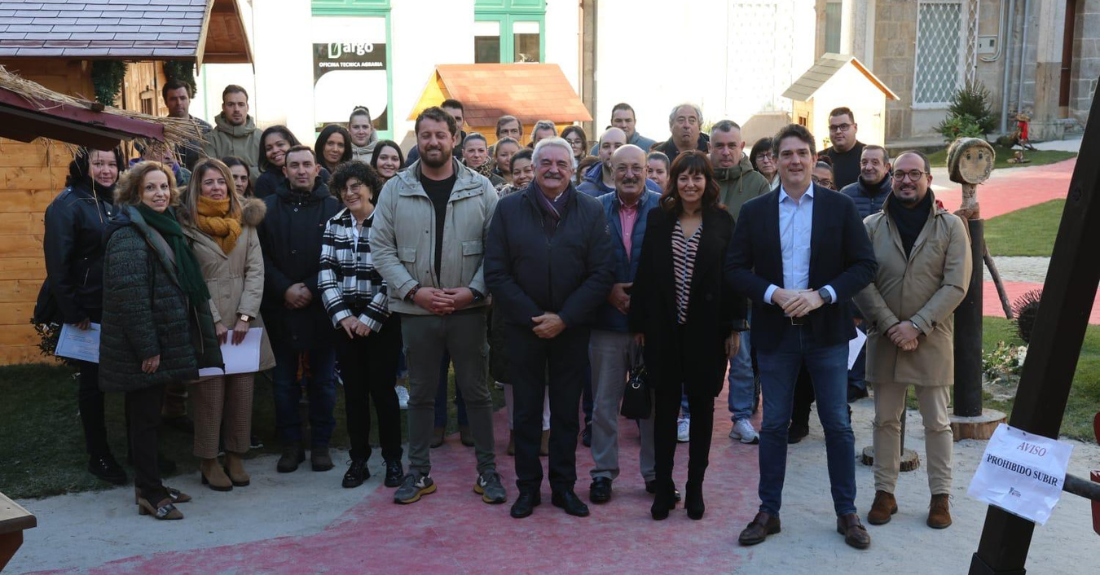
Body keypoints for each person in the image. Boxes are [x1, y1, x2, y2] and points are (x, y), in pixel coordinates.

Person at [727, 124, 877, 550]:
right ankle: (768, 511)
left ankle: (846, 513)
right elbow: (735, 269)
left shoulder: (839, 206)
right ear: (775, 159)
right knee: (774, 425)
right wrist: (774, 294)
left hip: (827, 332)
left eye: (802, 153)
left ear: (814, 159)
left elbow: (864, 265)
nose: (795, 160)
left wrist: (821, 296)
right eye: (787, 153)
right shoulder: (755, 211)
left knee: (838, 424)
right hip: (775, 336)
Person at [371, 106, 505, 506]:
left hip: (467, 311)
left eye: (440, 135)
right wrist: (413, 291)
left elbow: (496, 252)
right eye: (425, 135)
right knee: (422, 394)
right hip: (417, 311)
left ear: (454, 138)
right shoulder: (395, 189)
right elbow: (381, 248)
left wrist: (472, 292)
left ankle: (488, 472)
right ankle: (419, 473)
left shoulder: (481, 189)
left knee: (477, 394)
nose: (432, 142)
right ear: (419, 138)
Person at [485, 137, 613, 519]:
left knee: (564, 415)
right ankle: (527, 489)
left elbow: (601, 272)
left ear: (572, 169)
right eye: (546, 162)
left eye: (561, 162)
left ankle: (563, 487)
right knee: (523, 413)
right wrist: (533, 318)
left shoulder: (590, 210)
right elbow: (496, 271)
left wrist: (564, 318)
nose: (553, 169)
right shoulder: (508, 210)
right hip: (523, 330)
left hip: (571, 330)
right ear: (533, 167)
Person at [854, 150, 971, 530]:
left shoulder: (951, 226)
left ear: (928, 178)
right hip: (886, 338)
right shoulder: (871, 226)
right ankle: (885, 493)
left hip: (932, 338)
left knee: (937, 422)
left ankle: (941, 496)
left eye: (914, 174)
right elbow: (861, 280)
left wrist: (916, 325)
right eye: (899, 174)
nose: (906, 181)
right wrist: (891, 325)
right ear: (890, 177)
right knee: (886, 419)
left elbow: (956, 284)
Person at [100, 161, 222, 520]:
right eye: (150, 188)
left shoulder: (164, 228)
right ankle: (150, 493)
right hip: (142, 348)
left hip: (161, 341)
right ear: (135, 193)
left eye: (164, 187)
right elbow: (131, 298)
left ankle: (148, 485)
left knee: (150, 417)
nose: (159, 194)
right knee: (145, 419)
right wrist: (148, 349)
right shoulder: (128, 234)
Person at [630, 150, 744, 521]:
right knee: (664, 411)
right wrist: (639, 325)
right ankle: (664, 488)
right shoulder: (659, 219)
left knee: (702, 409)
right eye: (683, 178)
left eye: (697, 177)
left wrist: (734, 326)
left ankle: (695, 487)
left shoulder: (723, 221)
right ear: (673, 182)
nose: (690, 184)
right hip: (663, 330)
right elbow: (645, 274)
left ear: (707, 182)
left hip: (707, 332)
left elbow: (734, 278)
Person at [178, 158, 274, 492]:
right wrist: (213, 321)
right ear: (197, 187)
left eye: (221, 181)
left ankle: (235, 454)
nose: (216, 187)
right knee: (209, 395)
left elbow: (256, 270)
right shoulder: (186, 225)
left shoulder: (246, 222)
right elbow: (190, 279)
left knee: (242, 392)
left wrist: (245, 315)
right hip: (205, 321)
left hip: (243, 321)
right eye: (208, 182)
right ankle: (208, 460)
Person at [37, 147, 125, 485]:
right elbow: (58, 265)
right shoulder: (67, 205)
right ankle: (98, 455)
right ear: (83, 165)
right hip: (87, 312)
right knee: (93, 385)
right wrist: (74, 312)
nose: (106, 170)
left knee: (129, 379)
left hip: (117, 304)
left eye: (112, 163)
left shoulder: (114, 199)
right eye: (98, 163)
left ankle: (139, 450)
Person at [319, 161, 406, 490]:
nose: (350, 193)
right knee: (353, 394)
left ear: (371, 187)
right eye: (344, 188)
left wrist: (370, 318)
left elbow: (395, 274)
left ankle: (393, 460)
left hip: (383, 318)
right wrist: (344, 318)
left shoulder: (387, 221)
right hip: (346, 321)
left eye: (356, 186)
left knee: (383, 393)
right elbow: (326, 274)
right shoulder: (334, 224)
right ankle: (359, 461)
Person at [257, 145, 341, 474]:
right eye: (295, 166)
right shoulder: (266, 208)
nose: (301, 171)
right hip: (281, 308)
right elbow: (258, 257)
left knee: (323, 382)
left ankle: (320, 444)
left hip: (321, 309)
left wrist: (310, 286)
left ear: (318, 168)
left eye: (307, 164)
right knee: (283, 384)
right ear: (285, 171)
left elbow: (339, 255)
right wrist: (284, 288)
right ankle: (291, 445)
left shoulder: (334, 207)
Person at [586, 145, 662, 505]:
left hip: (652, 325)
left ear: (647, 170)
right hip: (606, 322)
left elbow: (673, 265)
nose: (630, 174)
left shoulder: (665, 208)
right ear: (610, 170)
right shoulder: (593, 209)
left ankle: (654, 473)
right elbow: (581, 260)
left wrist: (645, 300)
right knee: (603, 405)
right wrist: (607, 292)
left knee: (653, 404)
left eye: (637, 168)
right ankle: (603, 473)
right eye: (622, 168)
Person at [708, 120, 771, 445]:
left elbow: (761, 236)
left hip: (742, 287)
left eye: (732, 145)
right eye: (719, 145)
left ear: (742, 146)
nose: (726, 151)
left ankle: (741, 417)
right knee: (698, 354)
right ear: (710, 148)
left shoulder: (757, 183)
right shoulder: (700, 179)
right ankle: (690, 413)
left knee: (742, 359)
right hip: (703, 287)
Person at [840, 145, 894, 403]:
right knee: (856, 328)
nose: (869, 166)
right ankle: (855, 380)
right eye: (864, 162)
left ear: (887, 167)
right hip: (857, 273)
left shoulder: (898, 193)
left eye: (875, 162)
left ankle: (884, 378)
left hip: (890, 272)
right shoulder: (847, 195)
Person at [368, 140, 410, 410]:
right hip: (372, 272)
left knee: (401, 336)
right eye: (384, 158)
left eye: (395, 158)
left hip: (402, 271)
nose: (389, 163)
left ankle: (401, 385)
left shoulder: (406, 190)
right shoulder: (367, 192)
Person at [579, 128, 661, 197]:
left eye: (618, 146)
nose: (612, 151)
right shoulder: (583, 192)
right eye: (606, 146)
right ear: (599, 152)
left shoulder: (652, 188)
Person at [202, 85, 261, 180]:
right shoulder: (209, 140)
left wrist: (227, 172)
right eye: (231, 104)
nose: (236, 109)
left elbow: (268, 173)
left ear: (247, 107)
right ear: (223, 107)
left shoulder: (262, 138)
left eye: (241, 104)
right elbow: (210, 175)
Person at [162, 79, 211, 170]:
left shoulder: (205, 129)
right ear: (166, 102)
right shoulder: (158, 129)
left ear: (189, 100)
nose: (178, 103)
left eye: (183, 98)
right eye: (173, 99)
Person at [404, 98, 467, 167]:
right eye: (449, 118)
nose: (454, 123)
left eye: (457, 119)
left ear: (463, 122)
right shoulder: (416, 153)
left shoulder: (475, 149)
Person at [822, 107, 865, 190]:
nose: (838, 131)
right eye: (833, 127)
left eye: (844, 126)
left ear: (855, 128)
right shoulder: (819, 159)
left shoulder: (868, 157)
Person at [254, 125, 302, 199]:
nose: (275, 150)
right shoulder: (264, 182)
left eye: (280, 144)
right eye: (269, 148)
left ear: (291, 144)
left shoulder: (316, 172)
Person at [590, 103, 658, 154]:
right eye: (619, 121)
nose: (623, 125)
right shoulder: (597, 150)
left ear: (635, 122)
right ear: (611, 122)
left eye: (628, 121)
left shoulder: (650, 147)